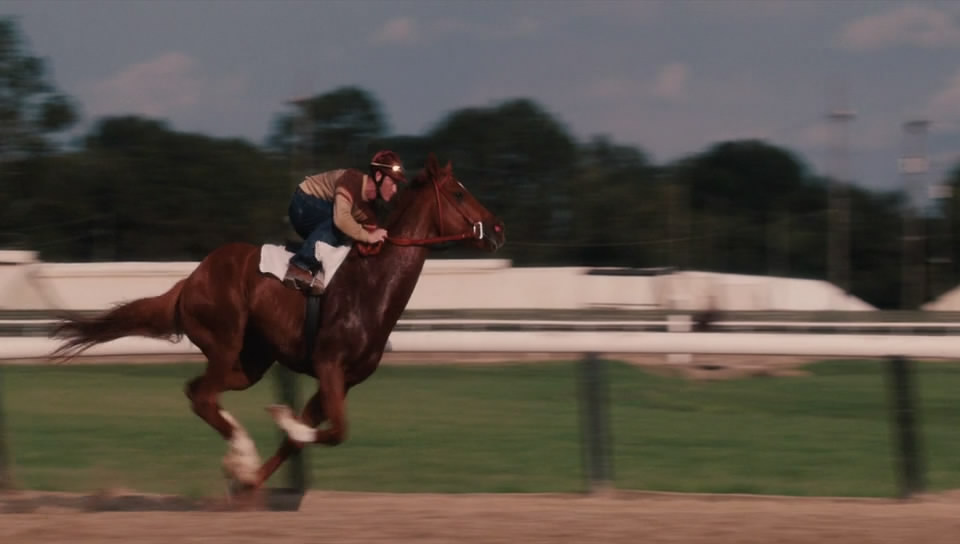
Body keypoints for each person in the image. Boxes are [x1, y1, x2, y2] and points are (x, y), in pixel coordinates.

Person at [283, 150, 407, 294]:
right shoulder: (352, 179)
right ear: (379, 176)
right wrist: (369, 236)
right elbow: (341, 220)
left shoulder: (371, 212)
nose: (395, 189)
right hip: (302, 203)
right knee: (343, 225)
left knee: (350, 236)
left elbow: (365, 241)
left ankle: (305, 252)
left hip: (320, 219)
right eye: (392, 182)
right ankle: (298, 266)